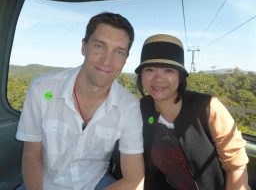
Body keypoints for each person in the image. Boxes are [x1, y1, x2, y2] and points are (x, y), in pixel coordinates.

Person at [16, 12, 144, 190]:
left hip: (95, 183)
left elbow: (135, 179)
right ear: (84, 46)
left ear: (125, 59)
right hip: (43, 182)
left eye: (119, 51)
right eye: (99, 46)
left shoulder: (129, 105)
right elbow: (31, 155)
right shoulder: (42, 88)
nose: (107, 60)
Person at [135, 34, 250, 190]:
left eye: (168, 71)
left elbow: (237, 166)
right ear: (141, 76)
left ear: (180, 77)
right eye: (150, 70)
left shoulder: (207, 107)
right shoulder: (142, 109)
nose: (158, 79)